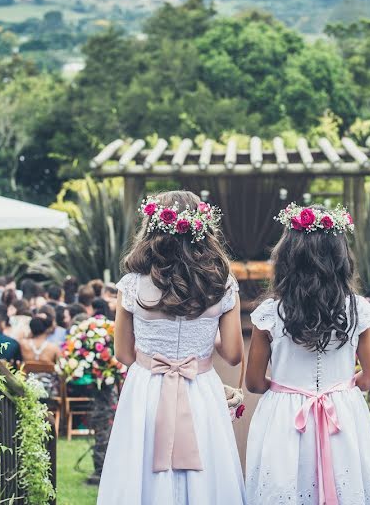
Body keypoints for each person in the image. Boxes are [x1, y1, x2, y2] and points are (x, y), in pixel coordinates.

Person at [99, 191, 245, 505]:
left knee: (143, 471)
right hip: (200, 388)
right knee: (206, 472)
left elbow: (124, 354)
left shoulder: (132, 285)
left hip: (147, 389)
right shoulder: (221, 284)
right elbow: (233, 353)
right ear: (201, 229)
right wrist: (206, 337)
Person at [246, 203, 370, 504]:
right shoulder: (356, 310)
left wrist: (285, 388)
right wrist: (342, 388)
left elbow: (254, 382)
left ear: (286, 257)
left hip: (285, 417)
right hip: (343, 413)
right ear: (340, 257)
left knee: (285, 487)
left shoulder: (270, 313)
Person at [20, 316, 61, 397]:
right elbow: (61, 367)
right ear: (46, 329)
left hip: (27, 387)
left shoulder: (23, 344)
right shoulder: (53, 348)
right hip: (48, 388)